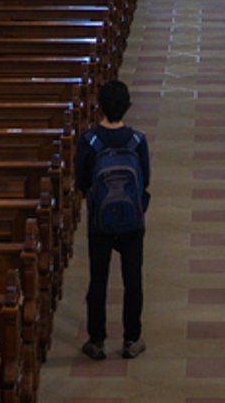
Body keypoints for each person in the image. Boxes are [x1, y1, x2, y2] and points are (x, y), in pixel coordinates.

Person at [75, 79, 151, 360]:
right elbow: (145, 179)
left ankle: (96, 340)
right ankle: (132, 338)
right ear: (127, 107)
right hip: (133, 221)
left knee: (99, 279)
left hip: (100, 221)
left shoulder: (90, 141)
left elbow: (82, 180)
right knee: (133, 279)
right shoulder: (137, 140)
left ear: (100, 107)